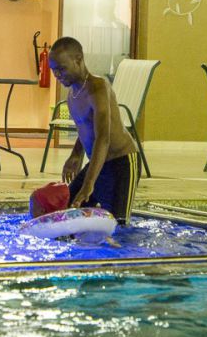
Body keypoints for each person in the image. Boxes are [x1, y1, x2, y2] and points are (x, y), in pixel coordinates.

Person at [47, 37, 140, 225]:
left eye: (62, 68)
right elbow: (86, 128)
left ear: (78, 60)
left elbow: (103, 138)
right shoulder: (73, 94)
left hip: (121, 163)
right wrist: (75, 155)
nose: (57, 74)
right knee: (67, 215)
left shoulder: (98, 87)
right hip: (99, 163)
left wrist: (89, 183)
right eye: (53, 69)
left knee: (118, 224)